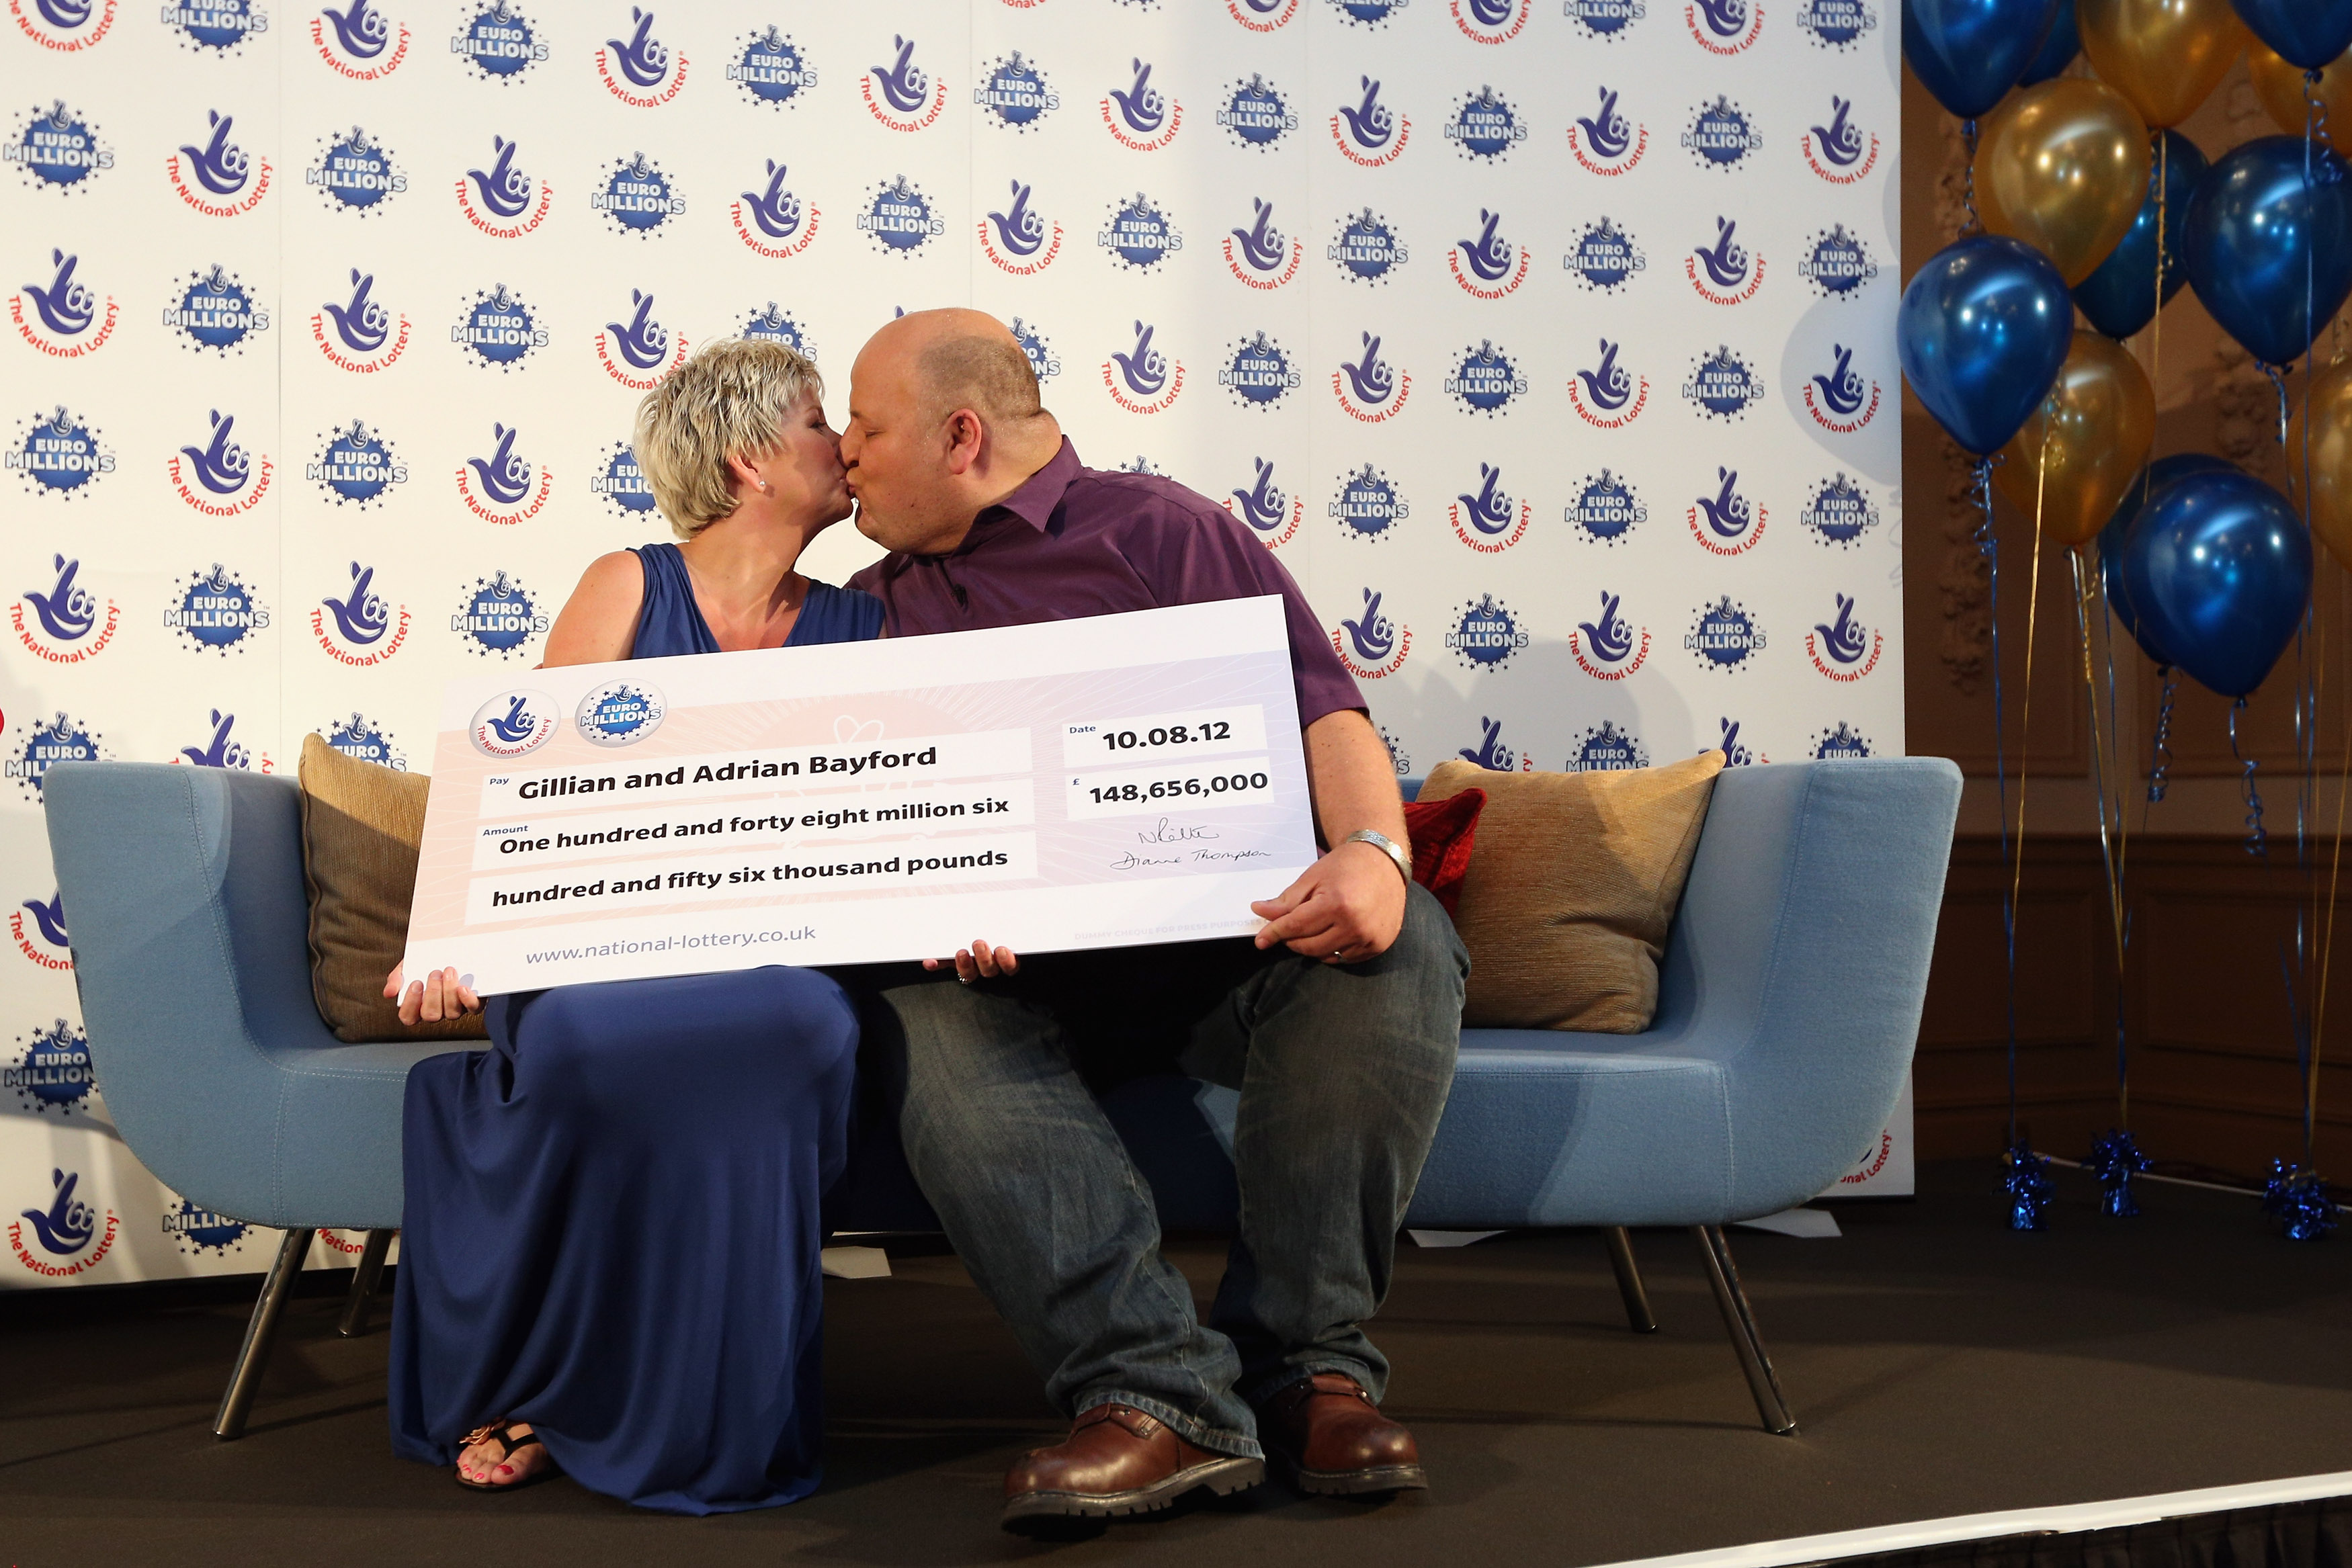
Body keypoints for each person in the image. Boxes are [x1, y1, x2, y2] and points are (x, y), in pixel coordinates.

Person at [839, 310, 1468, 1530]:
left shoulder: (1161, 531)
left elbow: (1323, 710)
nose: (849, 454)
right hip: (1007, 985)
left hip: (1218, 954)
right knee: (915, 1012)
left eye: (866, 428)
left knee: (1405, 948)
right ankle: (1154, 1391)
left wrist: (1377, 854)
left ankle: (1307, 1367)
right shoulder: (866, 607)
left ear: (960, 435)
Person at [384, 337, 886, 1512]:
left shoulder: (866, 625)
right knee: (588, 1042)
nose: (846, 444)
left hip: (771, 964)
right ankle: (565, 1385)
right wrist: (452, 930)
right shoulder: (627, 584)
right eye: (821, 422)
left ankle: (707, 1408)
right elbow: (528, 778)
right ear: (751, 456)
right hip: (596, 951)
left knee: (805, 1023)